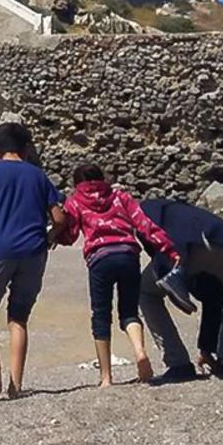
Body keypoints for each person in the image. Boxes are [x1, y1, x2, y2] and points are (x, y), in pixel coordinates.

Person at [0, 122, 68, 398]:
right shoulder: (38, 176)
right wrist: (49, 238)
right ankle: (16, 385)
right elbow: (59, 218)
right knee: (19, 316)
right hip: (34, 252)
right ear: (26, 148)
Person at [58, 164, 180, 386]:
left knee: (101, 314)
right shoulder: (120, 196)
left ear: (77, 183)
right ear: (102, 178)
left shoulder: (75, 201)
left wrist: (54, 234)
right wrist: (169, 249)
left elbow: (70, 235)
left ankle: (106, 377)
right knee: (129, 311)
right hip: (128, 255)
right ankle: (140, 351)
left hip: (100, 259)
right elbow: (144, 225)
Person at [136, 196, 223, 384]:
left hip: (191, 247)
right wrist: (206, 348)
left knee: (146, 292)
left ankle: (178, 363)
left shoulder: (142, 209)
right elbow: (213, 297)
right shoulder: (189, 210)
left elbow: (155, 243)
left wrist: (172, 275)